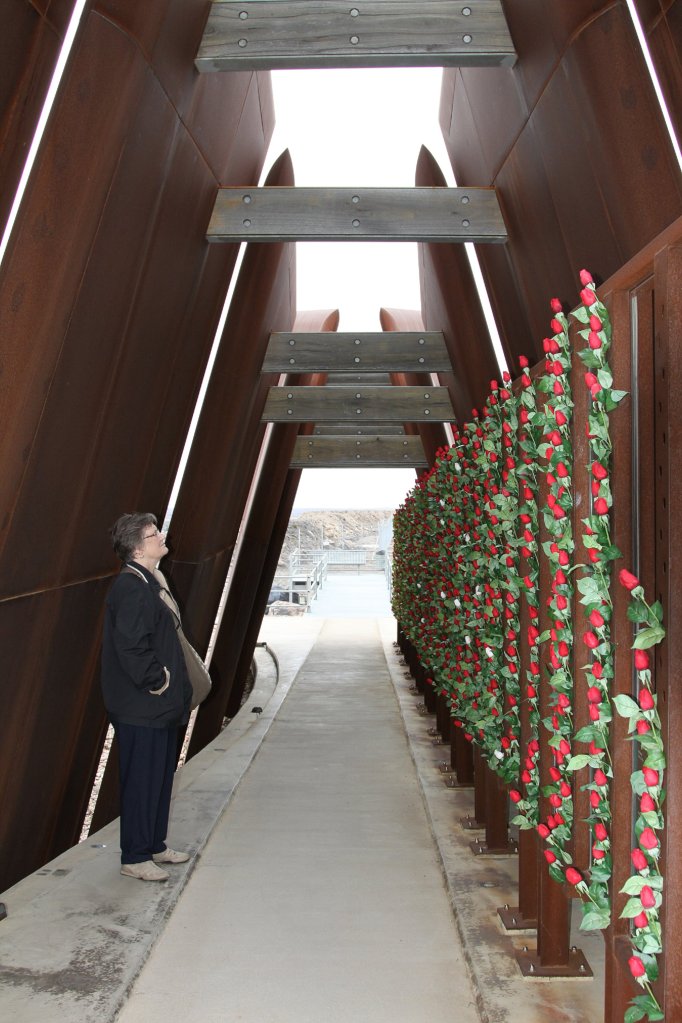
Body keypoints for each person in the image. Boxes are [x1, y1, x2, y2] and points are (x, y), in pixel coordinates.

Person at [101, 513, 193, 881]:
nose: (163, 536)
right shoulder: (131, 588)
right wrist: (159, 681)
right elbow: (131, 647)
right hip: (143, 704)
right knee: (141, 779)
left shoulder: (150, 579)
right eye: (155, 534)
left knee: (158, 776)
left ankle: (154, 844)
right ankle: (135, 857)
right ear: (138, 548)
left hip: (158, 706)